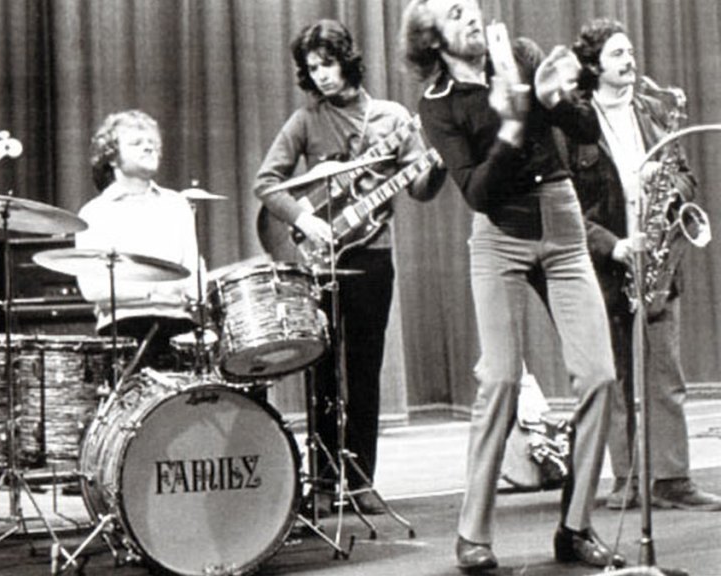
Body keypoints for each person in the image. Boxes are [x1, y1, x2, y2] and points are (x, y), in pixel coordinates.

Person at [400, 0, 625, 571]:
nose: (471, 16)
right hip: (499, 235)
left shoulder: (521, 55)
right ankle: (472, 534)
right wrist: (514, 121)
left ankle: (575, 527)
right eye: (455, 12)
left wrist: (553, 101)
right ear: (433, 39)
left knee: (599, 376)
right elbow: (477, 192)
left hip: (563, 226)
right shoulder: (438, 104)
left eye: (472, 6)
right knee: (499, 379)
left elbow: (587, 130)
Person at [253, 19, 445, 517]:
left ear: (347, 62)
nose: (321, 75)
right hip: (319, 258)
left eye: (328, 64)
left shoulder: (393, 118)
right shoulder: (305, 120)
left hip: (372, 256)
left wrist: (437, 168)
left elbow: (420, 188)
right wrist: (304, 219)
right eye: (312, 67)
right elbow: (266, 183)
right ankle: (321, 481)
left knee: (364, 371)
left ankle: (360, 482)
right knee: (321, 372)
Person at [568, 18, 721, 512]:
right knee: (616, 378)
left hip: (657, 255)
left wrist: (666, 183)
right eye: (617, 53)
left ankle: (672, 479)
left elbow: (688, 178)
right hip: (607, 259)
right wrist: (612, 245)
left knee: (666, 375)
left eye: (630, 51)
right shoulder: (575, 123)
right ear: (594, 65)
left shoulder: (654, 110)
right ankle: (626, 479)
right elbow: (565, 206)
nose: (630, 60)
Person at [75, 110, 200, 371]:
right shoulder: (94, 213)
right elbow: (93, 289)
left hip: (177, 325)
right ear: (111, 157)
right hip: (123, 328)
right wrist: (156, 290)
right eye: (136, 143)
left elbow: (193, 279)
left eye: (152, 142)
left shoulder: (177, 205)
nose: (148, 147)